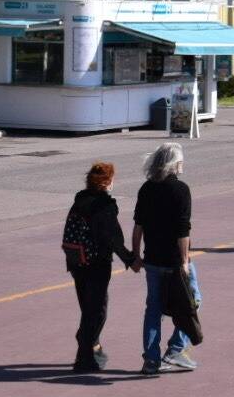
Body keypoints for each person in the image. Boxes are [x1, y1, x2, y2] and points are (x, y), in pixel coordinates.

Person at [64, 162, 140, 372]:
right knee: (97, 310)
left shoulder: (80, 199)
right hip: (97, 262)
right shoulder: (104, 206)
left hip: (77, 261)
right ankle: (84, 357)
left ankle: (87, 342)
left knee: (87, 307)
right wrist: (130, 259)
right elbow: (112, 237)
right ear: (107, 182)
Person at [132, 144, 197, 375]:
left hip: (152, 260)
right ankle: (176, 349)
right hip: (174, 260)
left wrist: (135, 254)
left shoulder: (147, 188)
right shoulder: (181, 190)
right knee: (191, 300)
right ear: (174, 164)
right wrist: (185, 261)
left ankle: (151, 360)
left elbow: (138, 225)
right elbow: (183, 230)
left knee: (153, 309)